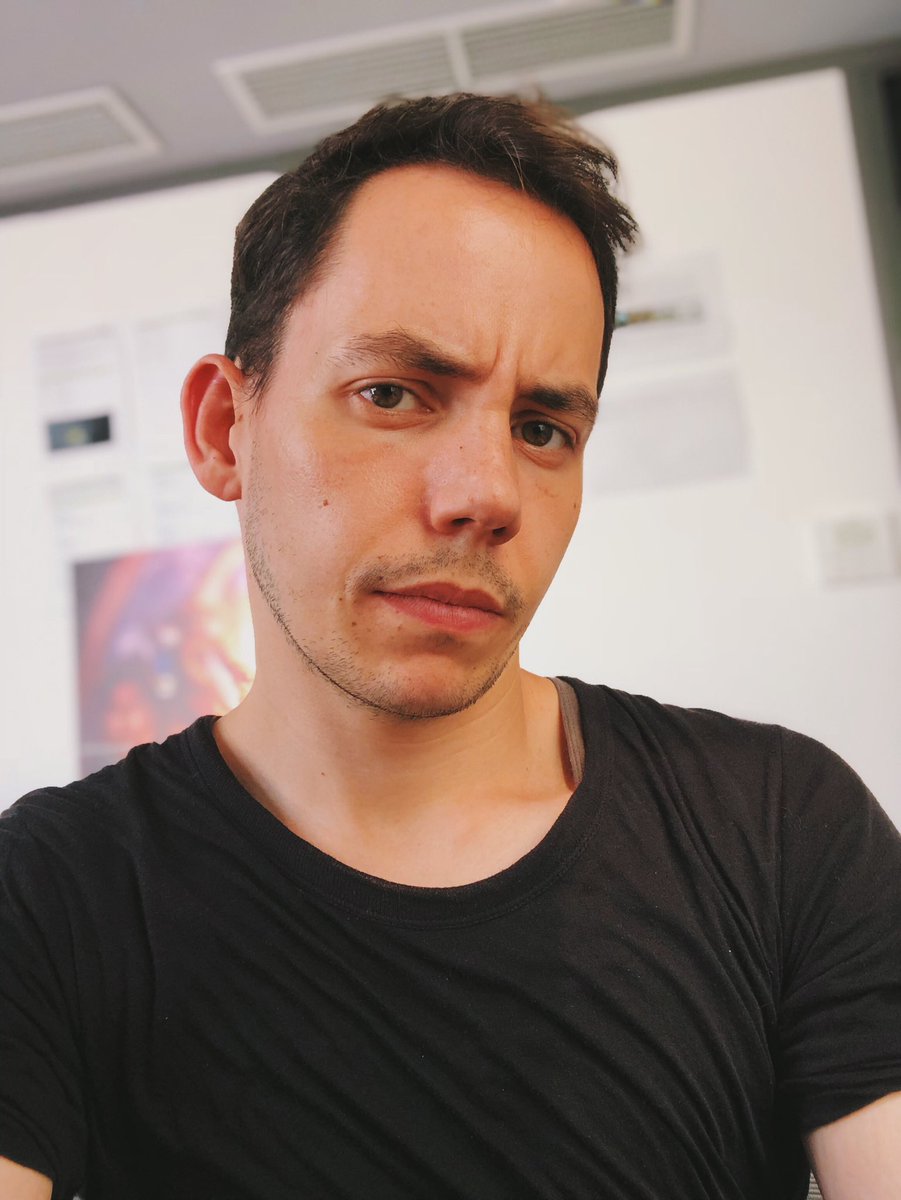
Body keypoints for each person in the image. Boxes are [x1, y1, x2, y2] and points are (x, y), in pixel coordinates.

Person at [1, 93, 899, 1200]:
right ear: (224, 429)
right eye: (392, 394)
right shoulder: (49, 897)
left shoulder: (777, 827)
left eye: (542, 429)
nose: (488, 494)